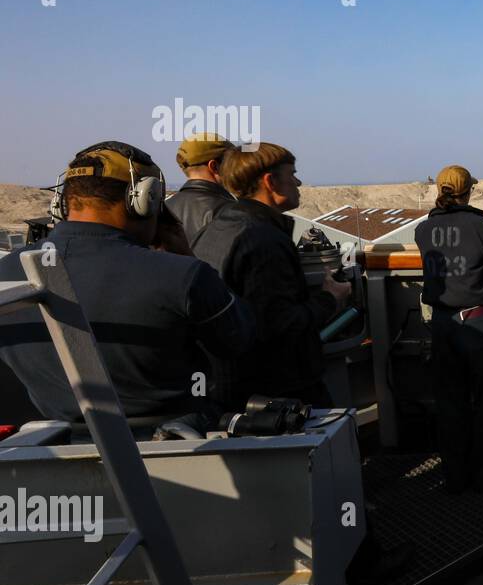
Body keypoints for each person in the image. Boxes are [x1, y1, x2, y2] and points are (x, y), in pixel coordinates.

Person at [0, 142, 253, 430]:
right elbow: (238, 340)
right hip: (179, 442)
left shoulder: (6, 273)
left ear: (60, 201)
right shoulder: (184, 274)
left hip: (54, 444)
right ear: (143, 199)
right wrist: (186, 257)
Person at [191, 142, 351, 410]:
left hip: (232, 386)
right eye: (292, 174)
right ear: (271, 182)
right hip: (279, 391)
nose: (298, 182)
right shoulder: (262, 240)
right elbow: (279, 325)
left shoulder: (217, 229)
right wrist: (330, 298)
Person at [414, 165, 483, 493]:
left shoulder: (423, 230)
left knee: (449, 403)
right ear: (468, 191)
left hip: (441, 326)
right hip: (479, 324)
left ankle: (455, 476)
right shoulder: (480, 226)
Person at [166, 133, 237, 245]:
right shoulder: (229, 211)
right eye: (232, 163)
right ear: (214, 166)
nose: (236, 169)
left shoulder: (164, 209)